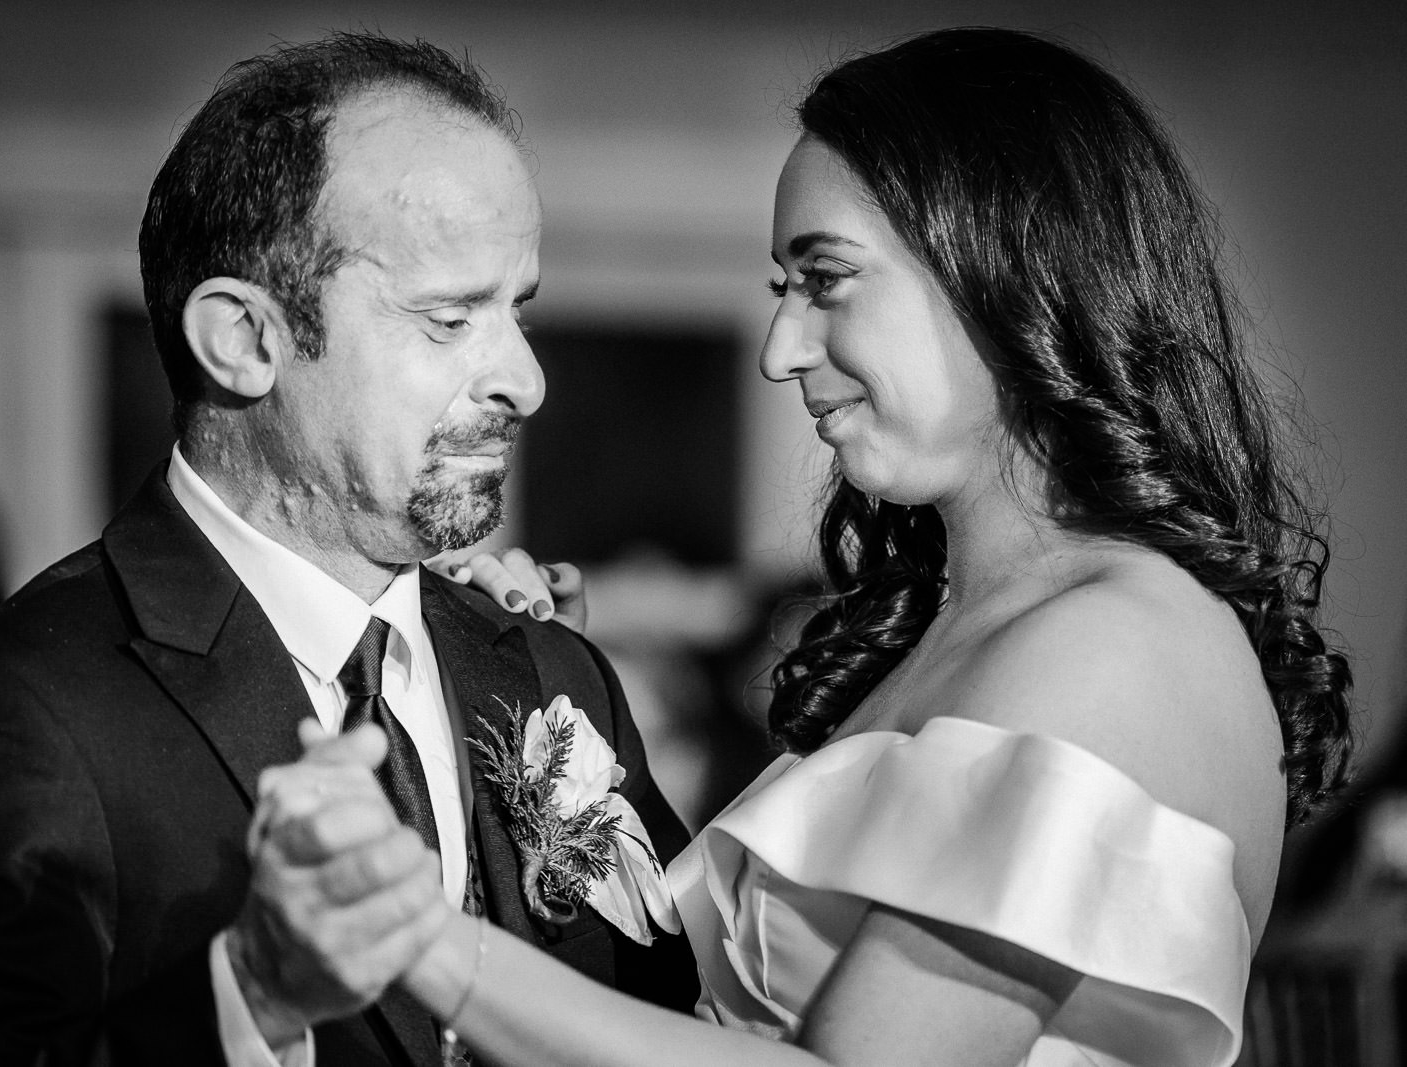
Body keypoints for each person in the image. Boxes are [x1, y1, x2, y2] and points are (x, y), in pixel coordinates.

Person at [273, 27, 1354, 1067]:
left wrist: (421, 940)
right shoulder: (967, 626)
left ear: (1009, 267)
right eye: (779, 291)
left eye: (825, 279)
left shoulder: (1113, 646)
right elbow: (691, 994)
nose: (782, 351)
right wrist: (543, 700)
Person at [0, 32, 695, 1065]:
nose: (526, 378)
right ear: (245, 341)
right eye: (449, 316)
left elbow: (680, 1013)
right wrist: (251, 994)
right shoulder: (12, 713)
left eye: (517, 310)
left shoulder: (555, 672)